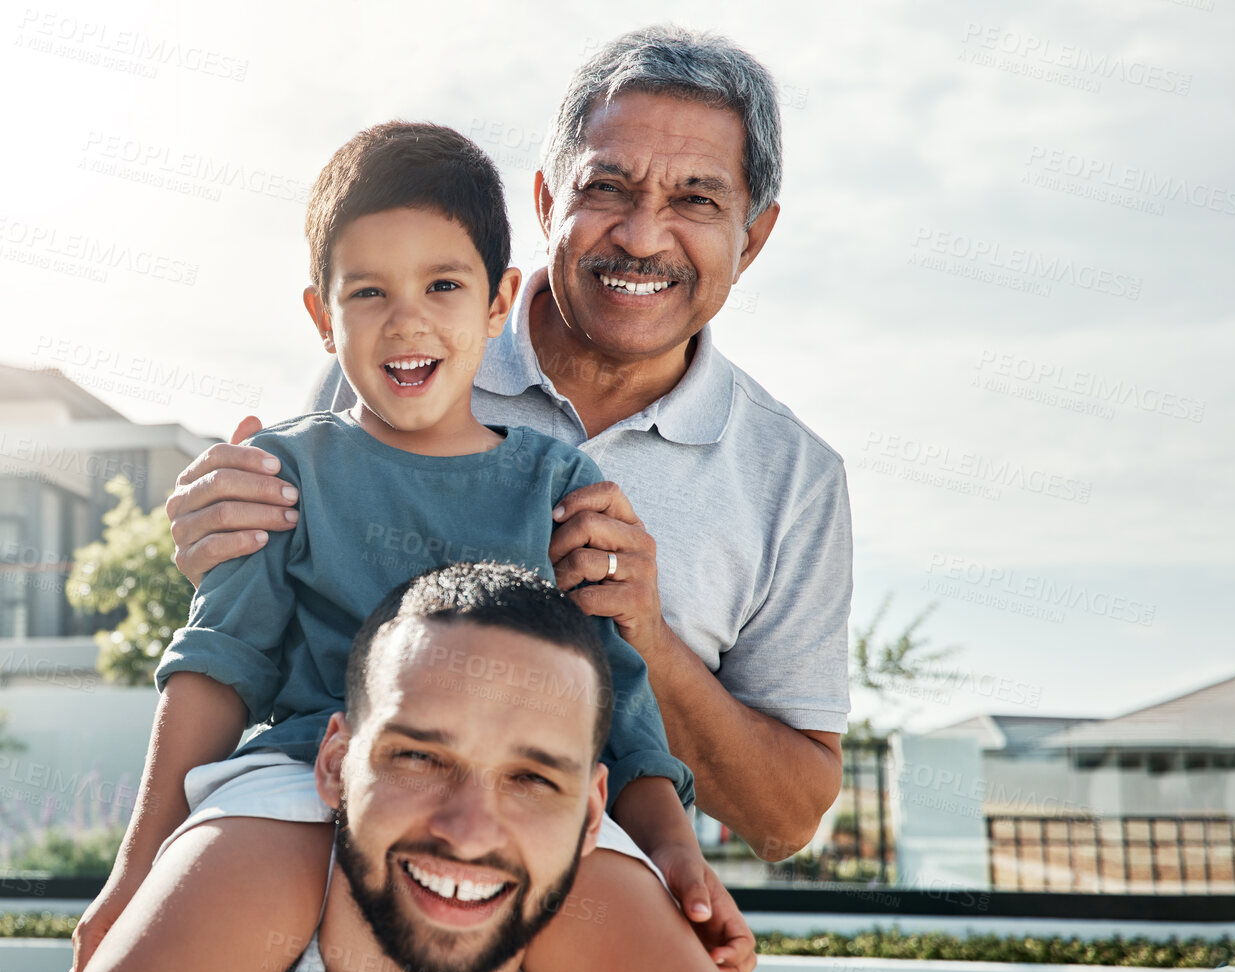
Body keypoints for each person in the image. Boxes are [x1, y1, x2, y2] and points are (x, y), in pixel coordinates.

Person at [47, 124, 764, 972]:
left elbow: (621, 694)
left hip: (523, 800)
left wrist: (674, 855)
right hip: (299, 778)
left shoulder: (557, 486)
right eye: (367, 292)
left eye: (441, 285)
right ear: (320, 316)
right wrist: (132, 871)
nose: (406, 320)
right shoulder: (279, 470)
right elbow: (217, 662)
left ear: (496, 299)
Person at [166, 25, 853, 867]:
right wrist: (224, 535)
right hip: (339, 855)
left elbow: (785, 823)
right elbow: (265, 633)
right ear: (544, 204)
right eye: (607, 187)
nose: (641, 236)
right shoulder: (405, 357)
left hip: (574, 882)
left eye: (696, 200)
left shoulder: (796, 479)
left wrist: (645, 637)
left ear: (754, 235)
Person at [0, 564, 782, 972]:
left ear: (590, 815)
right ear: (333, 763)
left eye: (533, 778)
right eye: (418, 758)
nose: (469, 832)